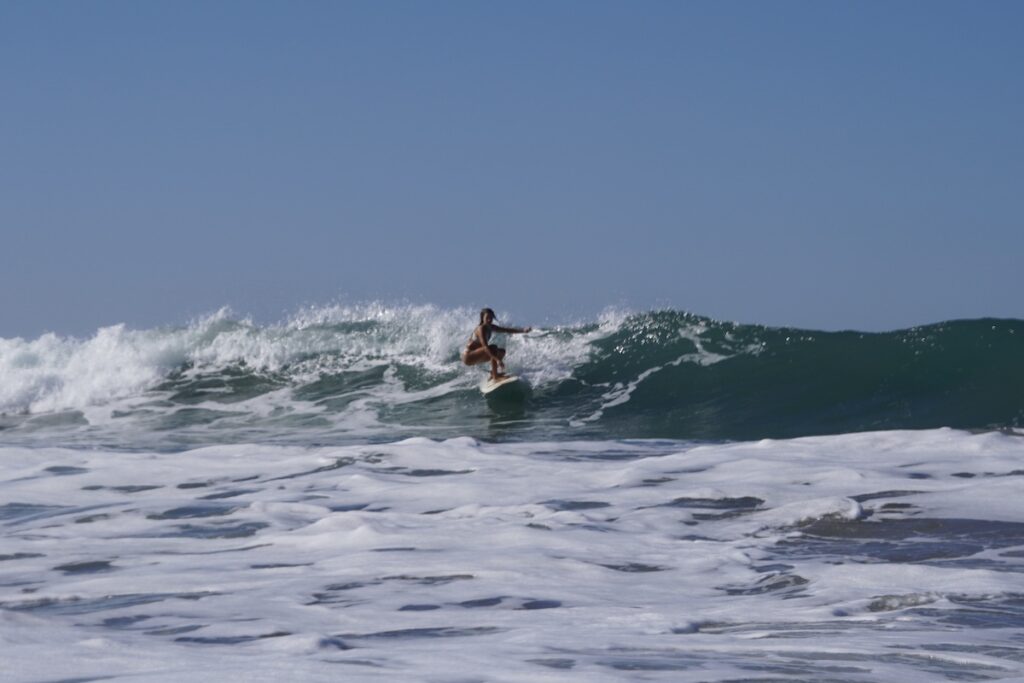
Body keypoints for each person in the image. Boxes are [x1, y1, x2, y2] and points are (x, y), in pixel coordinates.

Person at [461, 308, 532, 380]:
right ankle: (495, 377)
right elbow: (485, 347)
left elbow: (506, 330)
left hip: (476, 355)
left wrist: (523, 330)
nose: (489, 320)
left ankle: (493, 373)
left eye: (491, 318)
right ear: (482, 318)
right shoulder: (481, 329)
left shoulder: (491, 327)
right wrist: (497, 360)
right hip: (468, 356)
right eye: (487, 318)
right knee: (493, 348)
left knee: (501, 352)